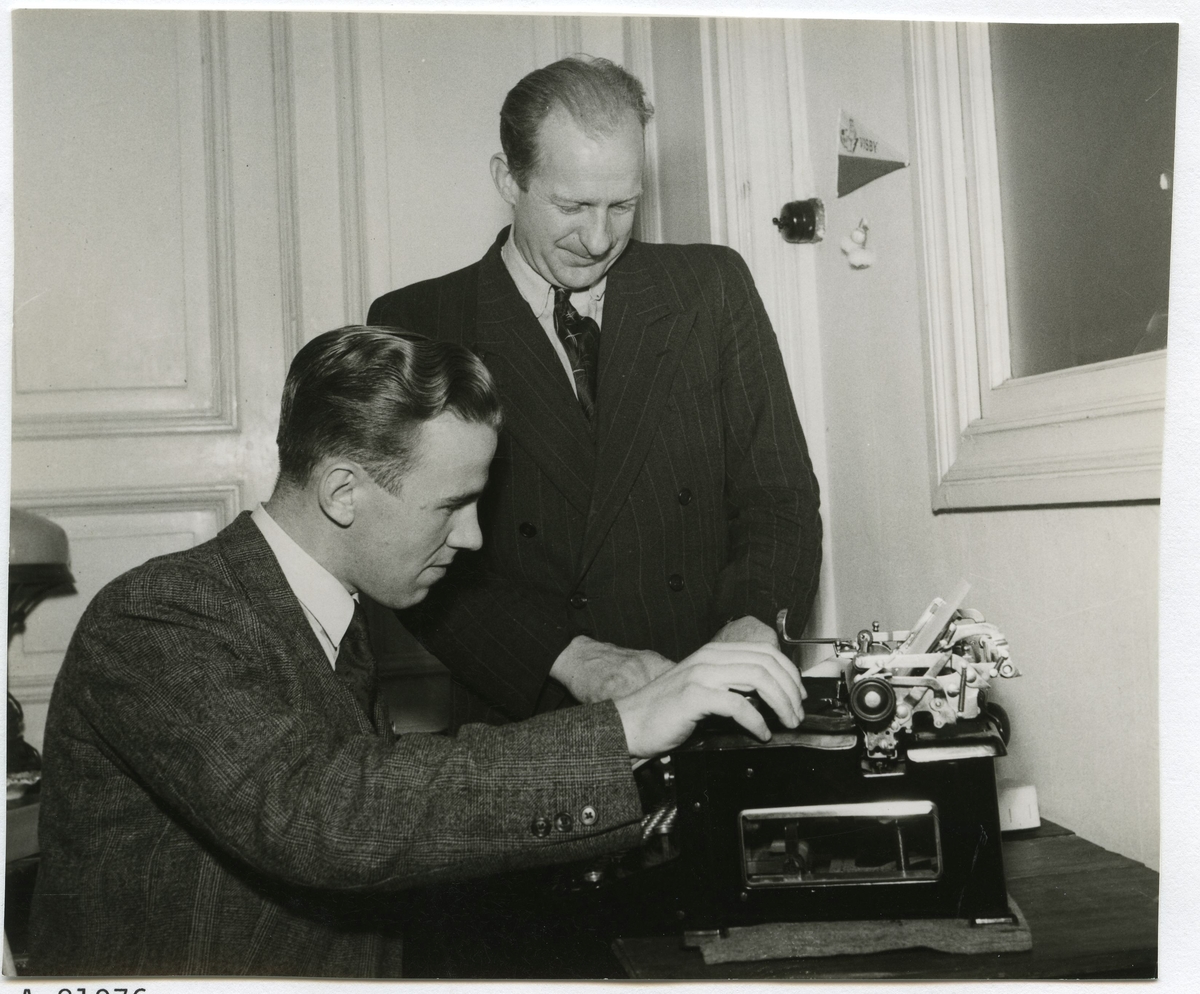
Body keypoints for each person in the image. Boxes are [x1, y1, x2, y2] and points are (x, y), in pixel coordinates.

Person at [26, 326, 805, 978]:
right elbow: (323, 815)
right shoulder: (160, 615)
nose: (473, 537)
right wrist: (626, 727)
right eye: (452, 505)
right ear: (343, 492)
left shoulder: (322, 612)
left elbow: (388, 809)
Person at [368, 56, 823, 731]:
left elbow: (779, 495)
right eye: (573, 206)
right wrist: (569, 656)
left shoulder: (711, 289)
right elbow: (407, 552)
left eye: (623, 206)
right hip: (535, 722)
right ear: (509, 179)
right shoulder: (421, 323)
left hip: (714, 702)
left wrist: (754, 622)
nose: (599, 238)